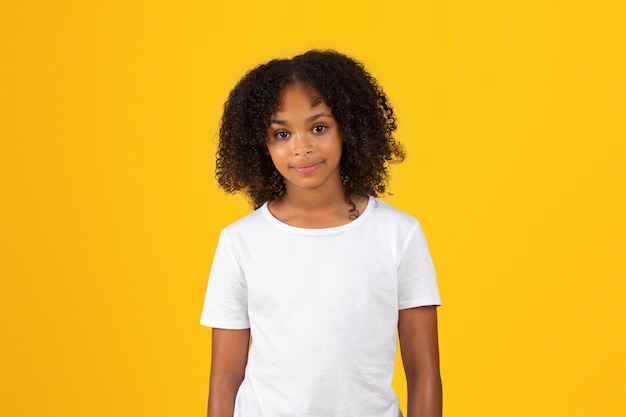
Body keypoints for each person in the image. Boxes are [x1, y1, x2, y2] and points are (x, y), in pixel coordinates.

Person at [201, 50, 442, 417]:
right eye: (282, 133)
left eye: (318, 127)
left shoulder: (398, 235)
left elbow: (424, 372)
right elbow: (224, 378)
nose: (302, 147)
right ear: (262, 145)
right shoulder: (240, 243)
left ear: (347, 126)